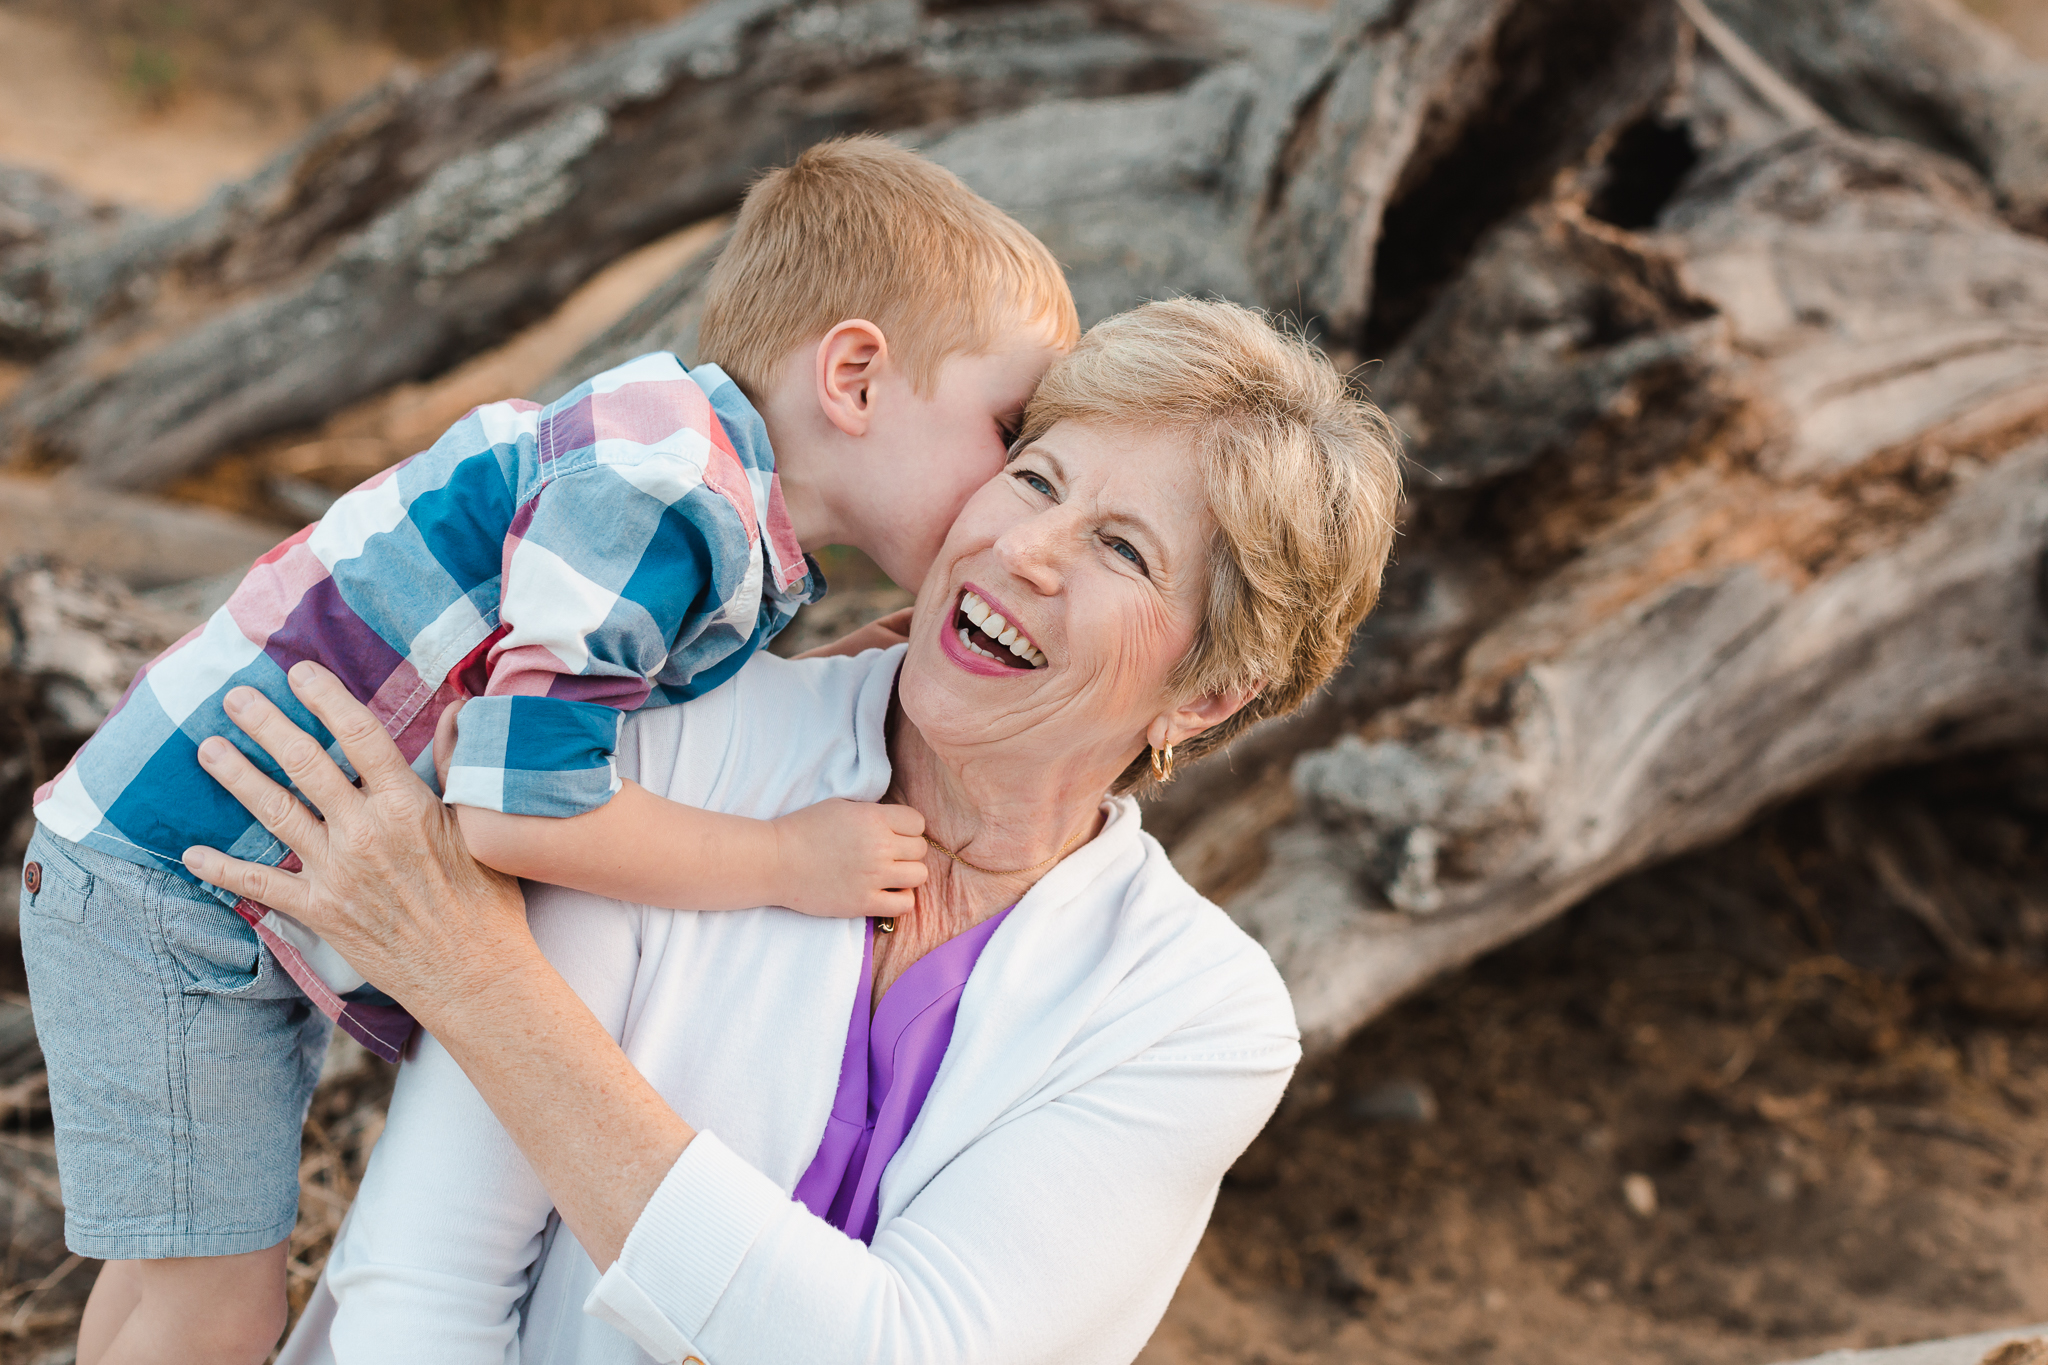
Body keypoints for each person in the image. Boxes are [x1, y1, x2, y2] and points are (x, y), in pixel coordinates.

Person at [183, 298, 1406, 1364]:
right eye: (1034, 477)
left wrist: (472, 975)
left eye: (1121, 549)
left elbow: (899, 1351)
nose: (1021, 550)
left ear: (1204, 694)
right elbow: (426, 1272)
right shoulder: (660, 760)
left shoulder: (1196, 1017)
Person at [17, 136, 1074, 1365]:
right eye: (1011, 434)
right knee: (221, 1312)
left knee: (164, 1283)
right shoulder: (661, 494)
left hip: (165, 872)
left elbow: (613, 701)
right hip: (177, 898)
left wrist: (850, 676)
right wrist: (785, 859)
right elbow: (520, 809)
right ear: (852, 376)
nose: (1012, 496)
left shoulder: (692, 481)